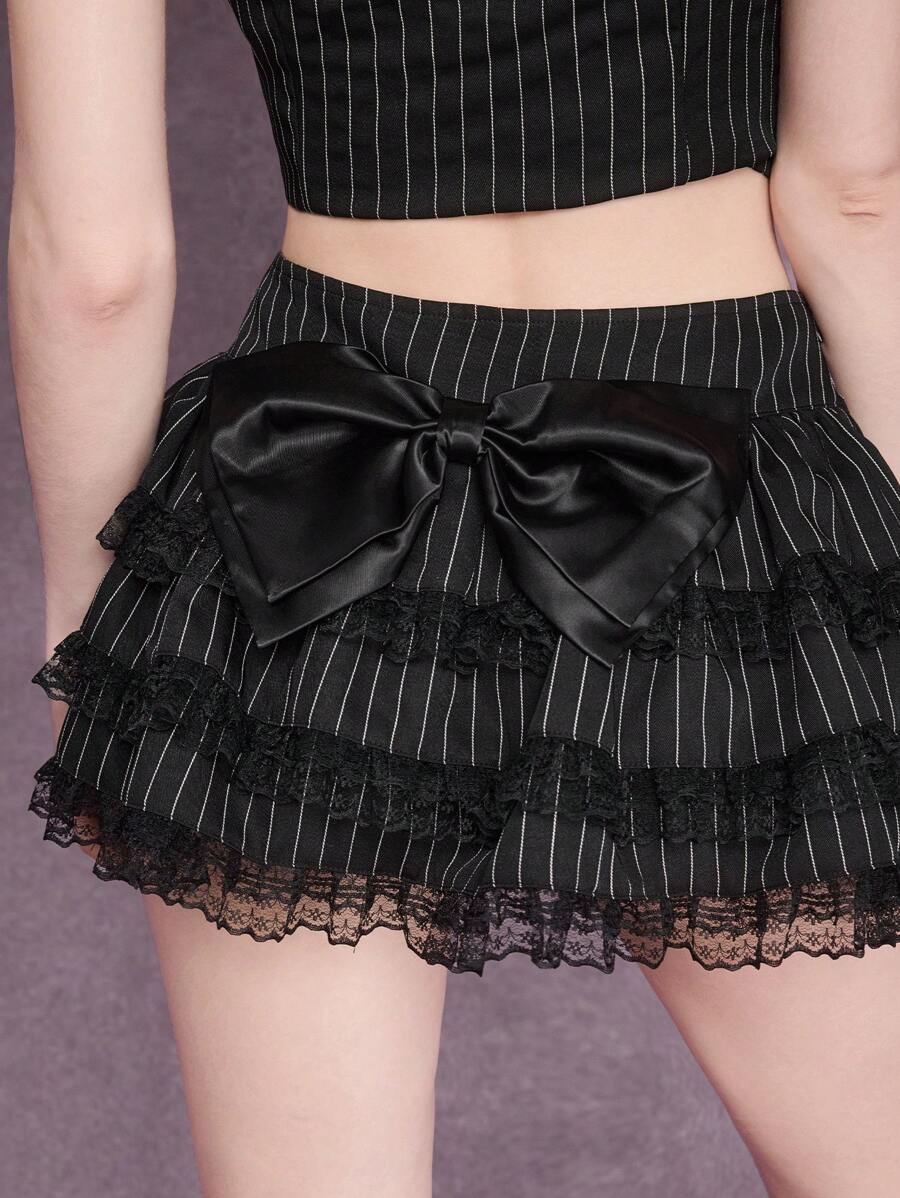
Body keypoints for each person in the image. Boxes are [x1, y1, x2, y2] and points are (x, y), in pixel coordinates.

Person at [8, 1, 900, 1194]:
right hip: (708, 453)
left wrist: (90, 623)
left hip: (313, 490)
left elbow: (95, 266)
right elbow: (855, 193)